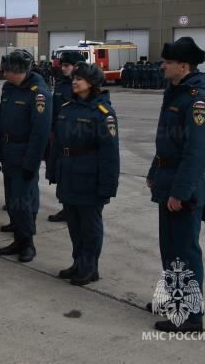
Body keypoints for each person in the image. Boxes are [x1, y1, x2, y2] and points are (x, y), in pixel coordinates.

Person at [146, 37, 205, 333]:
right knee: (170, 248)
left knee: (185, 251)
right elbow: (167, 138)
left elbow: (198, 153)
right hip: (168, 180)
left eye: (167, 62)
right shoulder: (176, 92)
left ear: (184, 66)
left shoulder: (199, 99)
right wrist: (155, 169)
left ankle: (192, 316)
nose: (162, 66)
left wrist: (180, 192)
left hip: (183, 186)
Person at [47, 62, 119, 286]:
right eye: (74, 77)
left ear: (92, 84)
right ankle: (78, 262)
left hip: (89, 176)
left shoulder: (102, 113)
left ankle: (89, 267)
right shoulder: (68, 107)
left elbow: (109, 153)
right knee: (75, 224)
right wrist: (53, 170)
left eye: (79, 79)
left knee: (89, 225)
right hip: (68, 173)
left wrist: (108, 186)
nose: (74, 81)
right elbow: (57, 143)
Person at [0, 51, 51, 262]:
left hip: (24, 153)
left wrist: (31, 163)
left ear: (19, 71)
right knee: (11, 199)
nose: (4, 74)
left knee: (21, 201)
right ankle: (18, 238)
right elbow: (1, 121)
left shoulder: (38, 93)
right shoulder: (9, 88)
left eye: (7, 70)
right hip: (8, 151)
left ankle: (27, 242)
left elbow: (40, 133)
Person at [48, 50, 82, 223]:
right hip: (59, 138)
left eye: (66, 66)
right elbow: (54, 111)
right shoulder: (61, 85)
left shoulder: (82, 86)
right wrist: (52, 132)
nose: (62, 68)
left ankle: (75, 210)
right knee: (61, 175)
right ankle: (66, 208)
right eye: (62, 65)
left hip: (74, 139)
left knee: (75, 176)